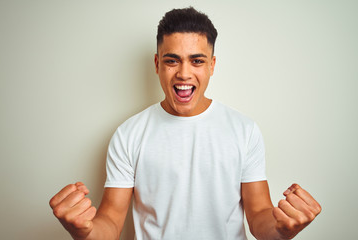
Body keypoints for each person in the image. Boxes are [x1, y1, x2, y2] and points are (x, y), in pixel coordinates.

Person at [49, 7, 321, 240]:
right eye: (172, 60)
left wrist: (281, 229)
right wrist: (85, 232)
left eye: (197, 61)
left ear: (212, 66)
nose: (184, 73)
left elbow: (259, 214)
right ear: (157, 64)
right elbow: (110, 220)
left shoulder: (244, 130)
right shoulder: (129, 134)